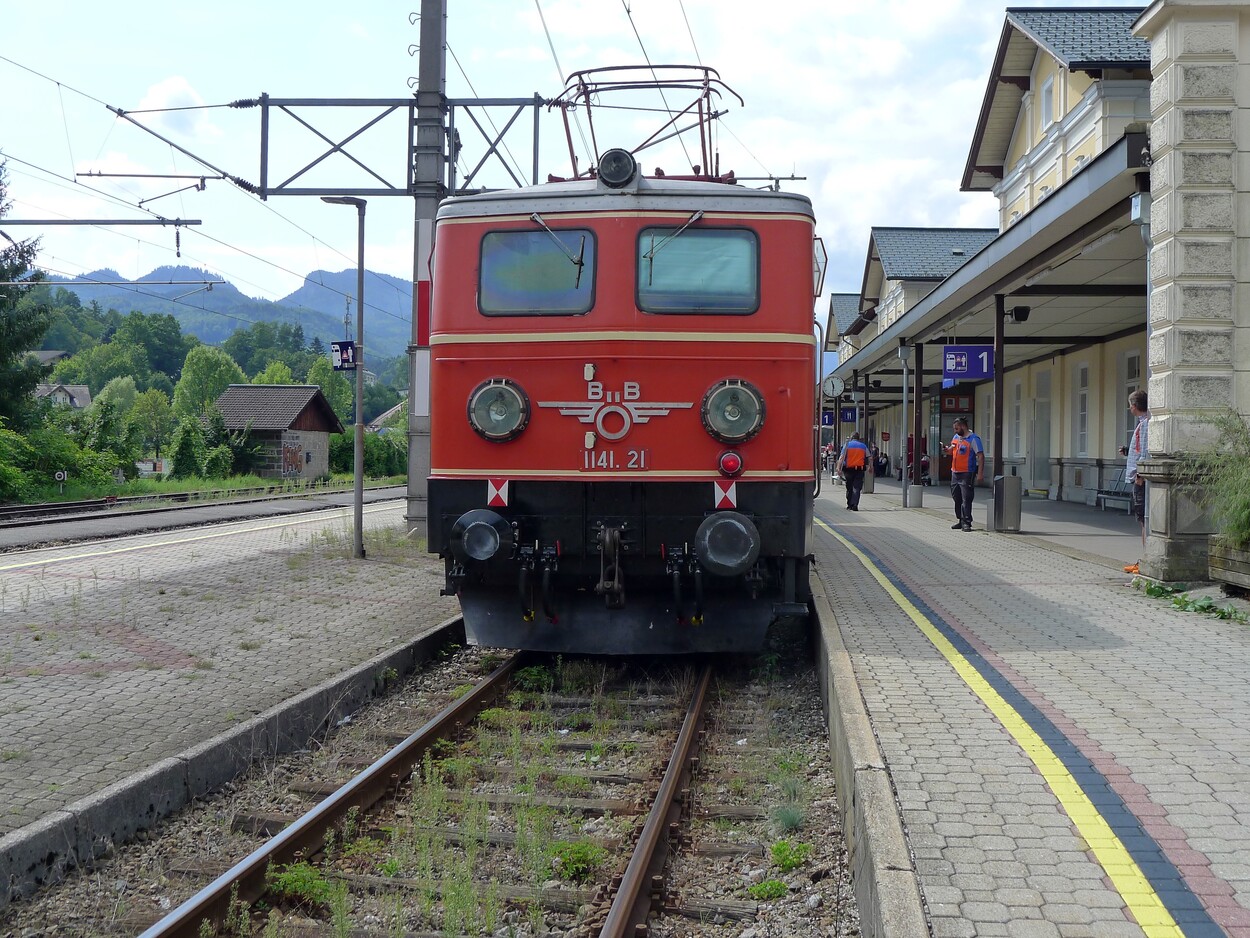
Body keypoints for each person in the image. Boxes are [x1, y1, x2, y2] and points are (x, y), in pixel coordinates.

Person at [1123, 389, 1150, 574]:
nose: (1129, 409)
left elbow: (1147, 450)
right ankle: (1144, 560)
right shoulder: (1143, 423)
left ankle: (1146, 561)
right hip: (1138, 475)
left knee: (1143, 519)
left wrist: (1140, 475)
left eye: (1130, 405)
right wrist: (1127, 451)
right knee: (1142, 518)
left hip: (1141, 478)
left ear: (1134, 406)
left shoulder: (1146, 424)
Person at [946, 416, 983, 531]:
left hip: (967, 472)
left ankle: (967, 521)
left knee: (966, 498)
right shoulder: (956, 437)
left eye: (956, 429)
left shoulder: (974, 439)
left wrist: (980, 473)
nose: (955, 431)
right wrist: (947, 450)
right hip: (955, 472)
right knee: (956, 497)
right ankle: (960, 519)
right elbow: (952, 450)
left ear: (963, 427)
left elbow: (981, 456)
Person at [834, 431, 871, 511]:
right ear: (858, 438)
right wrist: (870, 467)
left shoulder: (847, 445)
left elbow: (841, 457)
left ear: (851, 438)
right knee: (857, 488)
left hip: (848, 470)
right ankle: (855, 504)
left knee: (849, 487)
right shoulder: (863, 446)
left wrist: (838, 468)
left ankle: (849, 505)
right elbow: (869, 457)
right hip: (859, 469)